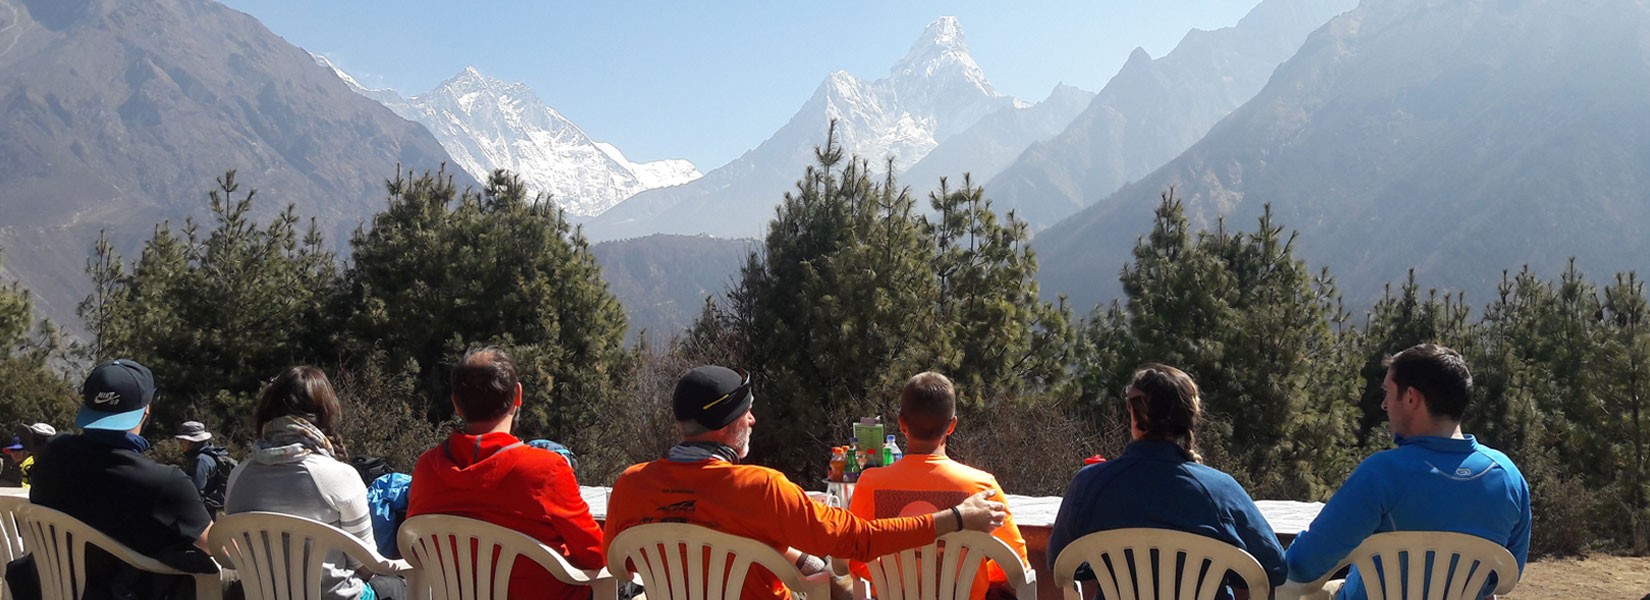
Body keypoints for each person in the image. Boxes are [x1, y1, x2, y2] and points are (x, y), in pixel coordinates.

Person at [603, 365, 1008, 600]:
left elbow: (620, 561)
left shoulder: (631, 484)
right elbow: (858, 540)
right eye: (747, 413)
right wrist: (955, 517)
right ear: (729, 425)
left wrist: (776, 545)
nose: (752, 420)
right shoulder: (760, 489)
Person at [1284, 344, 1531, 600]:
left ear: (1411, 398)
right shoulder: (1507, 476)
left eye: (1388, 393)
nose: (1384, 405)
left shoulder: (1382, 474)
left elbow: (1303, 565)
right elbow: (1506, 575)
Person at [1047, 364, 1285, 600]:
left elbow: (1059, 561)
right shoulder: (1220, 492)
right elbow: (1274, 566)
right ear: (1190, 418)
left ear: (1133, 414)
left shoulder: (1090, 484)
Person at [407, 346, 604, 600]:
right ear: (518, 395)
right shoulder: (545, 470)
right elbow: (596, 554)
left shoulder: (426, 469)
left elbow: (417, 548)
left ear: (456, 403)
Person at [25, 359, 218, 599]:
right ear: (146, 410)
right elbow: (214, 545)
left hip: (45, 589)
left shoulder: (52, 454)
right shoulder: (165, 483)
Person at [224, 366, 405, 600]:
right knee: (399, 588)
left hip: (259, 595)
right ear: (325, 414)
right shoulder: (339, 477)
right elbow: (366, 565)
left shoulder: (238, 476)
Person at [847, 372, 1028, 600]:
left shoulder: (870, 483)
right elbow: (1017, 562)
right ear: (951, 426)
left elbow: (856, 560)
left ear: (902, 424)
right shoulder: (982, 485)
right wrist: (973, 576)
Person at [176, 420, 234, 512]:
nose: (180, 443)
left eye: (183, 440)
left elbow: (195, 492)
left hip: (200, 511)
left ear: (193, 442)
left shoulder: (201, 460)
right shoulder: (207, 456)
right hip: (207, 510)